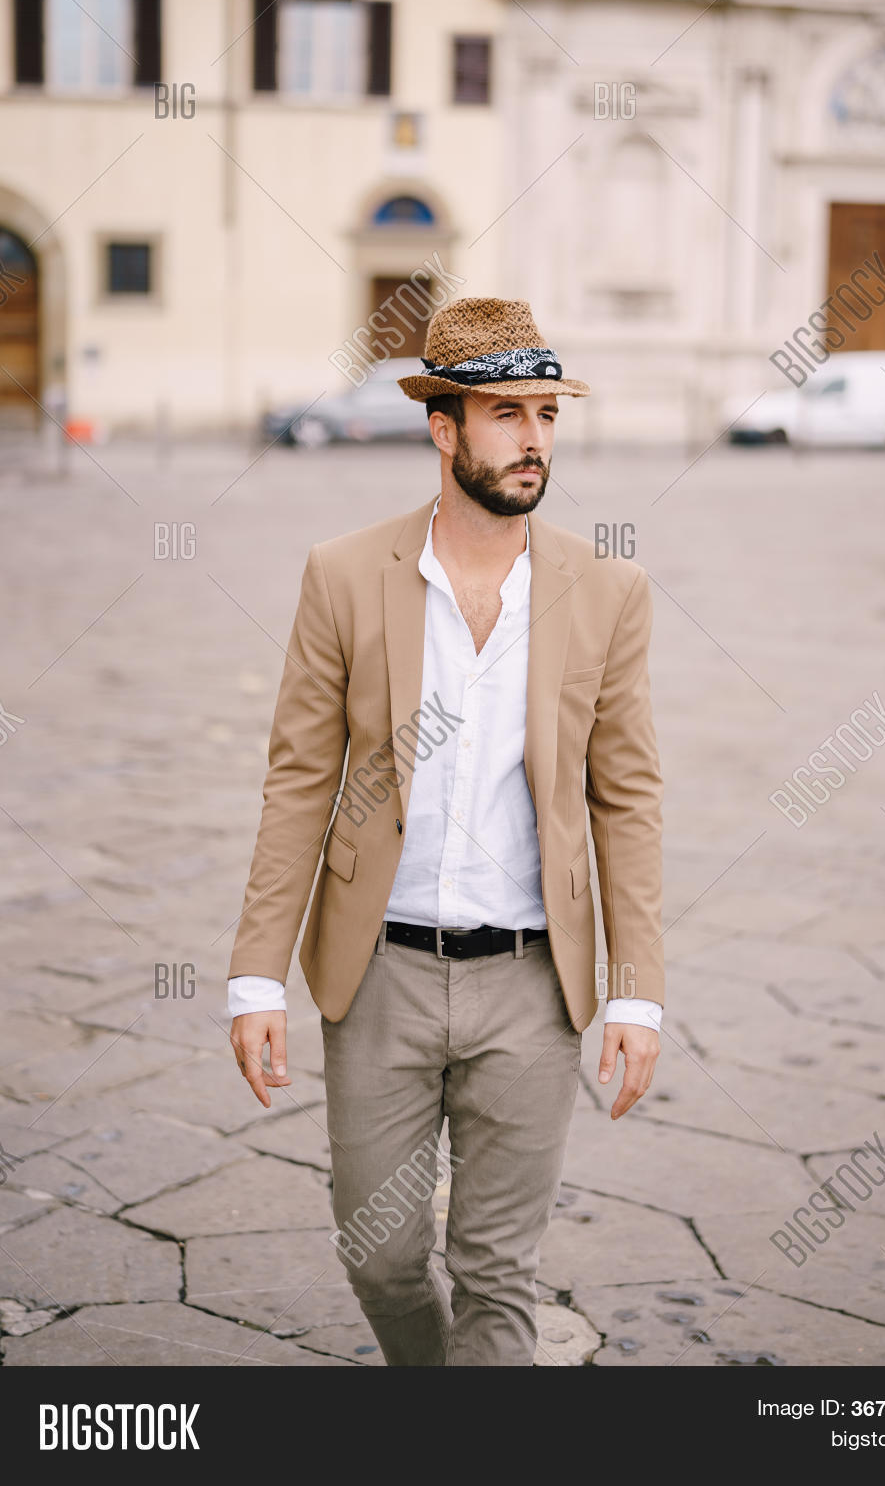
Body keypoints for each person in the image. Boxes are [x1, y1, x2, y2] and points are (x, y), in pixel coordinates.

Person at [227, 295, 665, 1365]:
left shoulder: (606, 591)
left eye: (548, 415)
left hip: (531, 982)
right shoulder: (343, 575)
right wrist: (253, 976)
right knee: (377, 1257)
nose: (533, 440)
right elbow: (297, 781)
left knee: (496, 1273)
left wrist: (636, 988)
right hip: (379, 974)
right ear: (443, 426)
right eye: (507, 414)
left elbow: (628, 796)